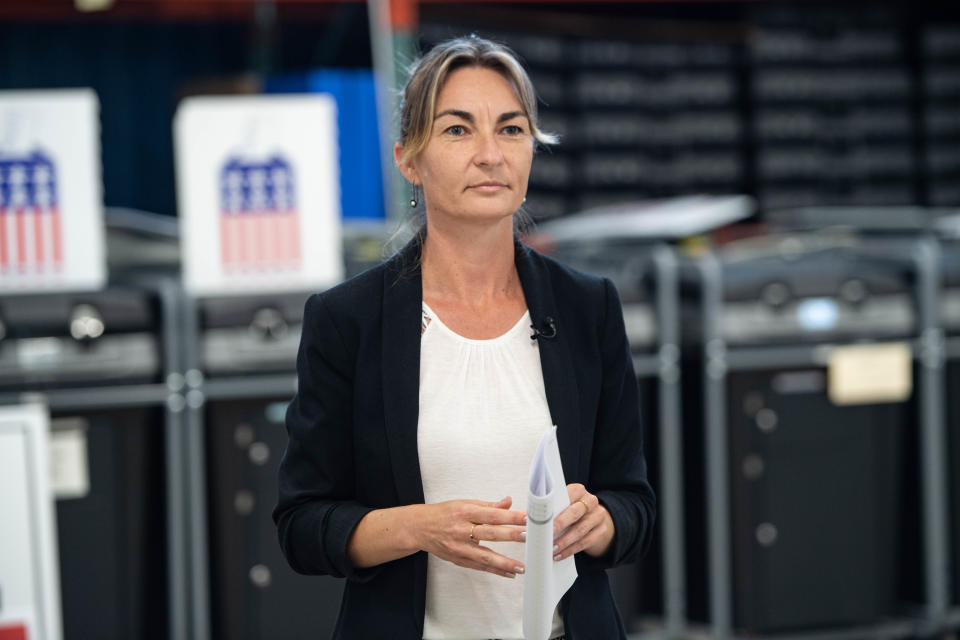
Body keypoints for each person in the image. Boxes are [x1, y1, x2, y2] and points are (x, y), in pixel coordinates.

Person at [273, 35, 656, 640]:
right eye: (457, 130)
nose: (490, 154)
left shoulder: (588, 307)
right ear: (408, 159)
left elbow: (635, 502)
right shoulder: (348, 320)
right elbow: (302, 524)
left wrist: (601, 522)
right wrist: (417, 529)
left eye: (510, 129)